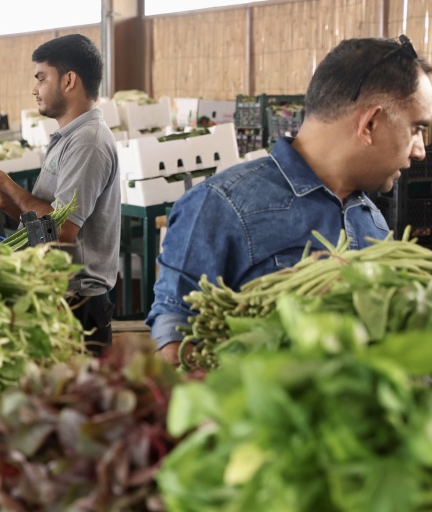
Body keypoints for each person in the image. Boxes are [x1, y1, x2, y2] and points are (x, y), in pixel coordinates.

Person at [148, 35, 432, 365]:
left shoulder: (371, 220)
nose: (421, 150)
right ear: (370, 123)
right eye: (416, 129)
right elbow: (175, 337)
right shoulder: (221, 204)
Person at [0, 34, 120, 355]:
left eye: (41, 78)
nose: (35, 89)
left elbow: (62, 230)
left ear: (69, 81)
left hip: (78, 308)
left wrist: (9, 185)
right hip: (58, 297)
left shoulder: (88, 143)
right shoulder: (69, 137)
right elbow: (46, 215)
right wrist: (2, 200)